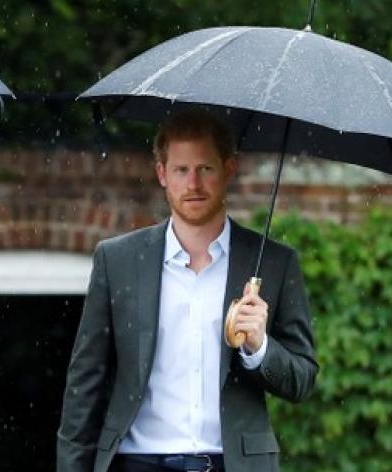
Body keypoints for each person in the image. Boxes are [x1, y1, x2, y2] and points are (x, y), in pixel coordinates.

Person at [56, 109, 318, 472]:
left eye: (205, 169)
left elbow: (302, 379)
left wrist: (259, 347)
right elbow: (85, 384)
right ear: (162, 174)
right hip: (137, 463)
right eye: (181, 170)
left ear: (229, 168)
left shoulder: (274, 263)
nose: (193, 183)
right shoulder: (117, 261)